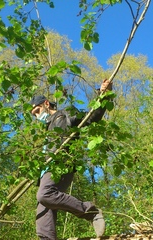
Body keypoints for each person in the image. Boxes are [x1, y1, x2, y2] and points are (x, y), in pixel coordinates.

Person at [30, 79, 112, 240]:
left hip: (61, 165)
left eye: (37, 110)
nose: (36, 116)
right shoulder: (48, 129)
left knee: (44, 195)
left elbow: (91, 117)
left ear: (46, 103)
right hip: (46, 171)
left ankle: (90, 212)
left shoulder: (65, 115)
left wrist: (104, 95)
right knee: (43, 220)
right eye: (34, 115)